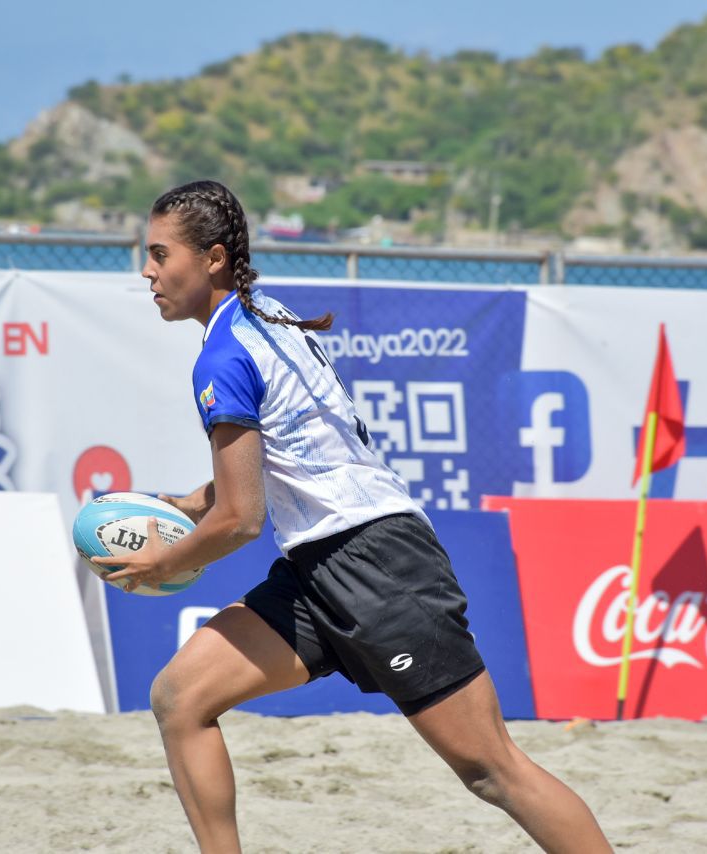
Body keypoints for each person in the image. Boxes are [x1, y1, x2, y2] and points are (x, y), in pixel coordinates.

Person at [94, 179, 611, 854]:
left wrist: (163, 563)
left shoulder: (224, 354)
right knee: (180, 699)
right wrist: (194, 503)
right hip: (319, 567)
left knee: (492, 771)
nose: (148, 270)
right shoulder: (266, 315)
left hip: (377, 565)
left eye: (161, 255)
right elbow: (285, 455)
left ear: (214, 257)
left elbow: (242, 520)